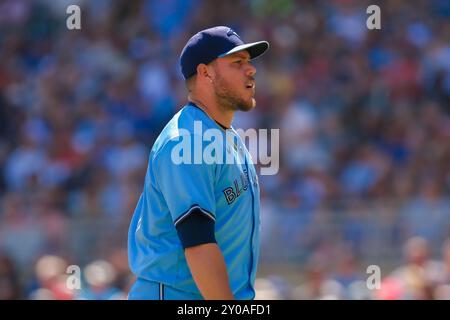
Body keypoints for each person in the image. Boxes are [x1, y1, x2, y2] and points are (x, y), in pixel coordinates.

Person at [127, 26, 269, 300]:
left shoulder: (224, 136)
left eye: (249, 62)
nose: (250, 70)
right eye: (237, 63)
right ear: (206, 73)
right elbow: (198, 242)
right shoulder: (186, 140)